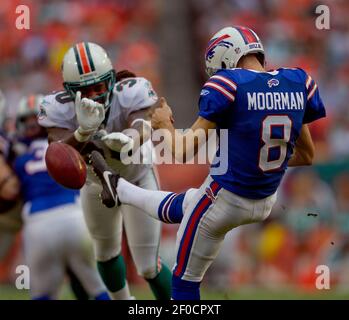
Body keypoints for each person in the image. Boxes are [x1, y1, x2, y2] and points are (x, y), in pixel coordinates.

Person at [89, 26, 326, 300]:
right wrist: (257, 163)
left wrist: (163, 124)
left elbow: (182, 152)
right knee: (190, 202)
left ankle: (119, 189)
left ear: (225, 59)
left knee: (184, 284)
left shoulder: (228, 85)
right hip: (265, 201)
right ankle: (120, 189)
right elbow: (306, 155)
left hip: (226, 199)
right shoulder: (298, 82)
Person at [38, 42, 172, 300]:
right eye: (85, 90)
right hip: (96, 185)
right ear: (69, 91)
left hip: (137, 178)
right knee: (105, 253)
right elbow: (56, 151)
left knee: (147, 265)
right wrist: (81, 133)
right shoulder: (58, 107)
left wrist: (129, 139)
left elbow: (143, 125)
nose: (95, 95)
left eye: (99, 87)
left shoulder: (130, 91)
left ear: (111, 79)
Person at [14, 94, 109, 300]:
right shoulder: (69, 147)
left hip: (37, 223)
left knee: (42, 294)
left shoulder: (20, 160)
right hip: (74, 217)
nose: (31, 126)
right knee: (98, 288)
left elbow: (12, 191)